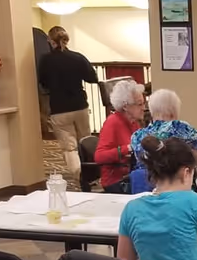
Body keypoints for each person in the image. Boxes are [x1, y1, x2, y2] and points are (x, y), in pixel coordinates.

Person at [38, 26, 98, 176]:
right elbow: (92, 78)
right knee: (85, 141)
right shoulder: (78, 57)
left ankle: (79, 176)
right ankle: (93, 175)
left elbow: (43, 83)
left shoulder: (46, 60)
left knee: (69, 147)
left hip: (59, 109)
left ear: (51, 41)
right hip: (80, 106)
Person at [130, 89, 197, 168]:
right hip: (175, 182)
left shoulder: (137, 136)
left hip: (145, 183)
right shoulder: (177, 127)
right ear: (173, 110)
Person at [93, 80, 144, 193]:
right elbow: (99, 156)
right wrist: (127, 149)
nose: (143, 108)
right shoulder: (113, 123)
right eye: (140, 104)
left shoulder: (134, 122)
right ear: (126, 107)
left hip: (131, 175)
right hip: (117, 180)